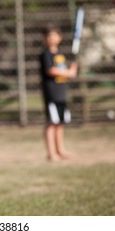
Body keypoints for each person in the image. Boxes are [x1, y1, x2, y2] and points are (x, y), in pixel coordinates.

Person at [39, 25, 77, 161]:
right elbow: (51, 70)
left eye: (54, 35)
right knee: (51, 122)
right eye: (49, 36)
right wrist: (68, 72)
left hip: (61, 92)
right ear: (44, 39)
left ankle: (60, 150)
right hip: (51, 93)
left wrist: (71, 70)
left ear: (60, 37)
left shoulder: (60, 54)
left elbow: (63, 70)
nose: (52, 38)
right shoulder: (46, 54)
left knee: (60, 122)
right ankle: (51, 153)